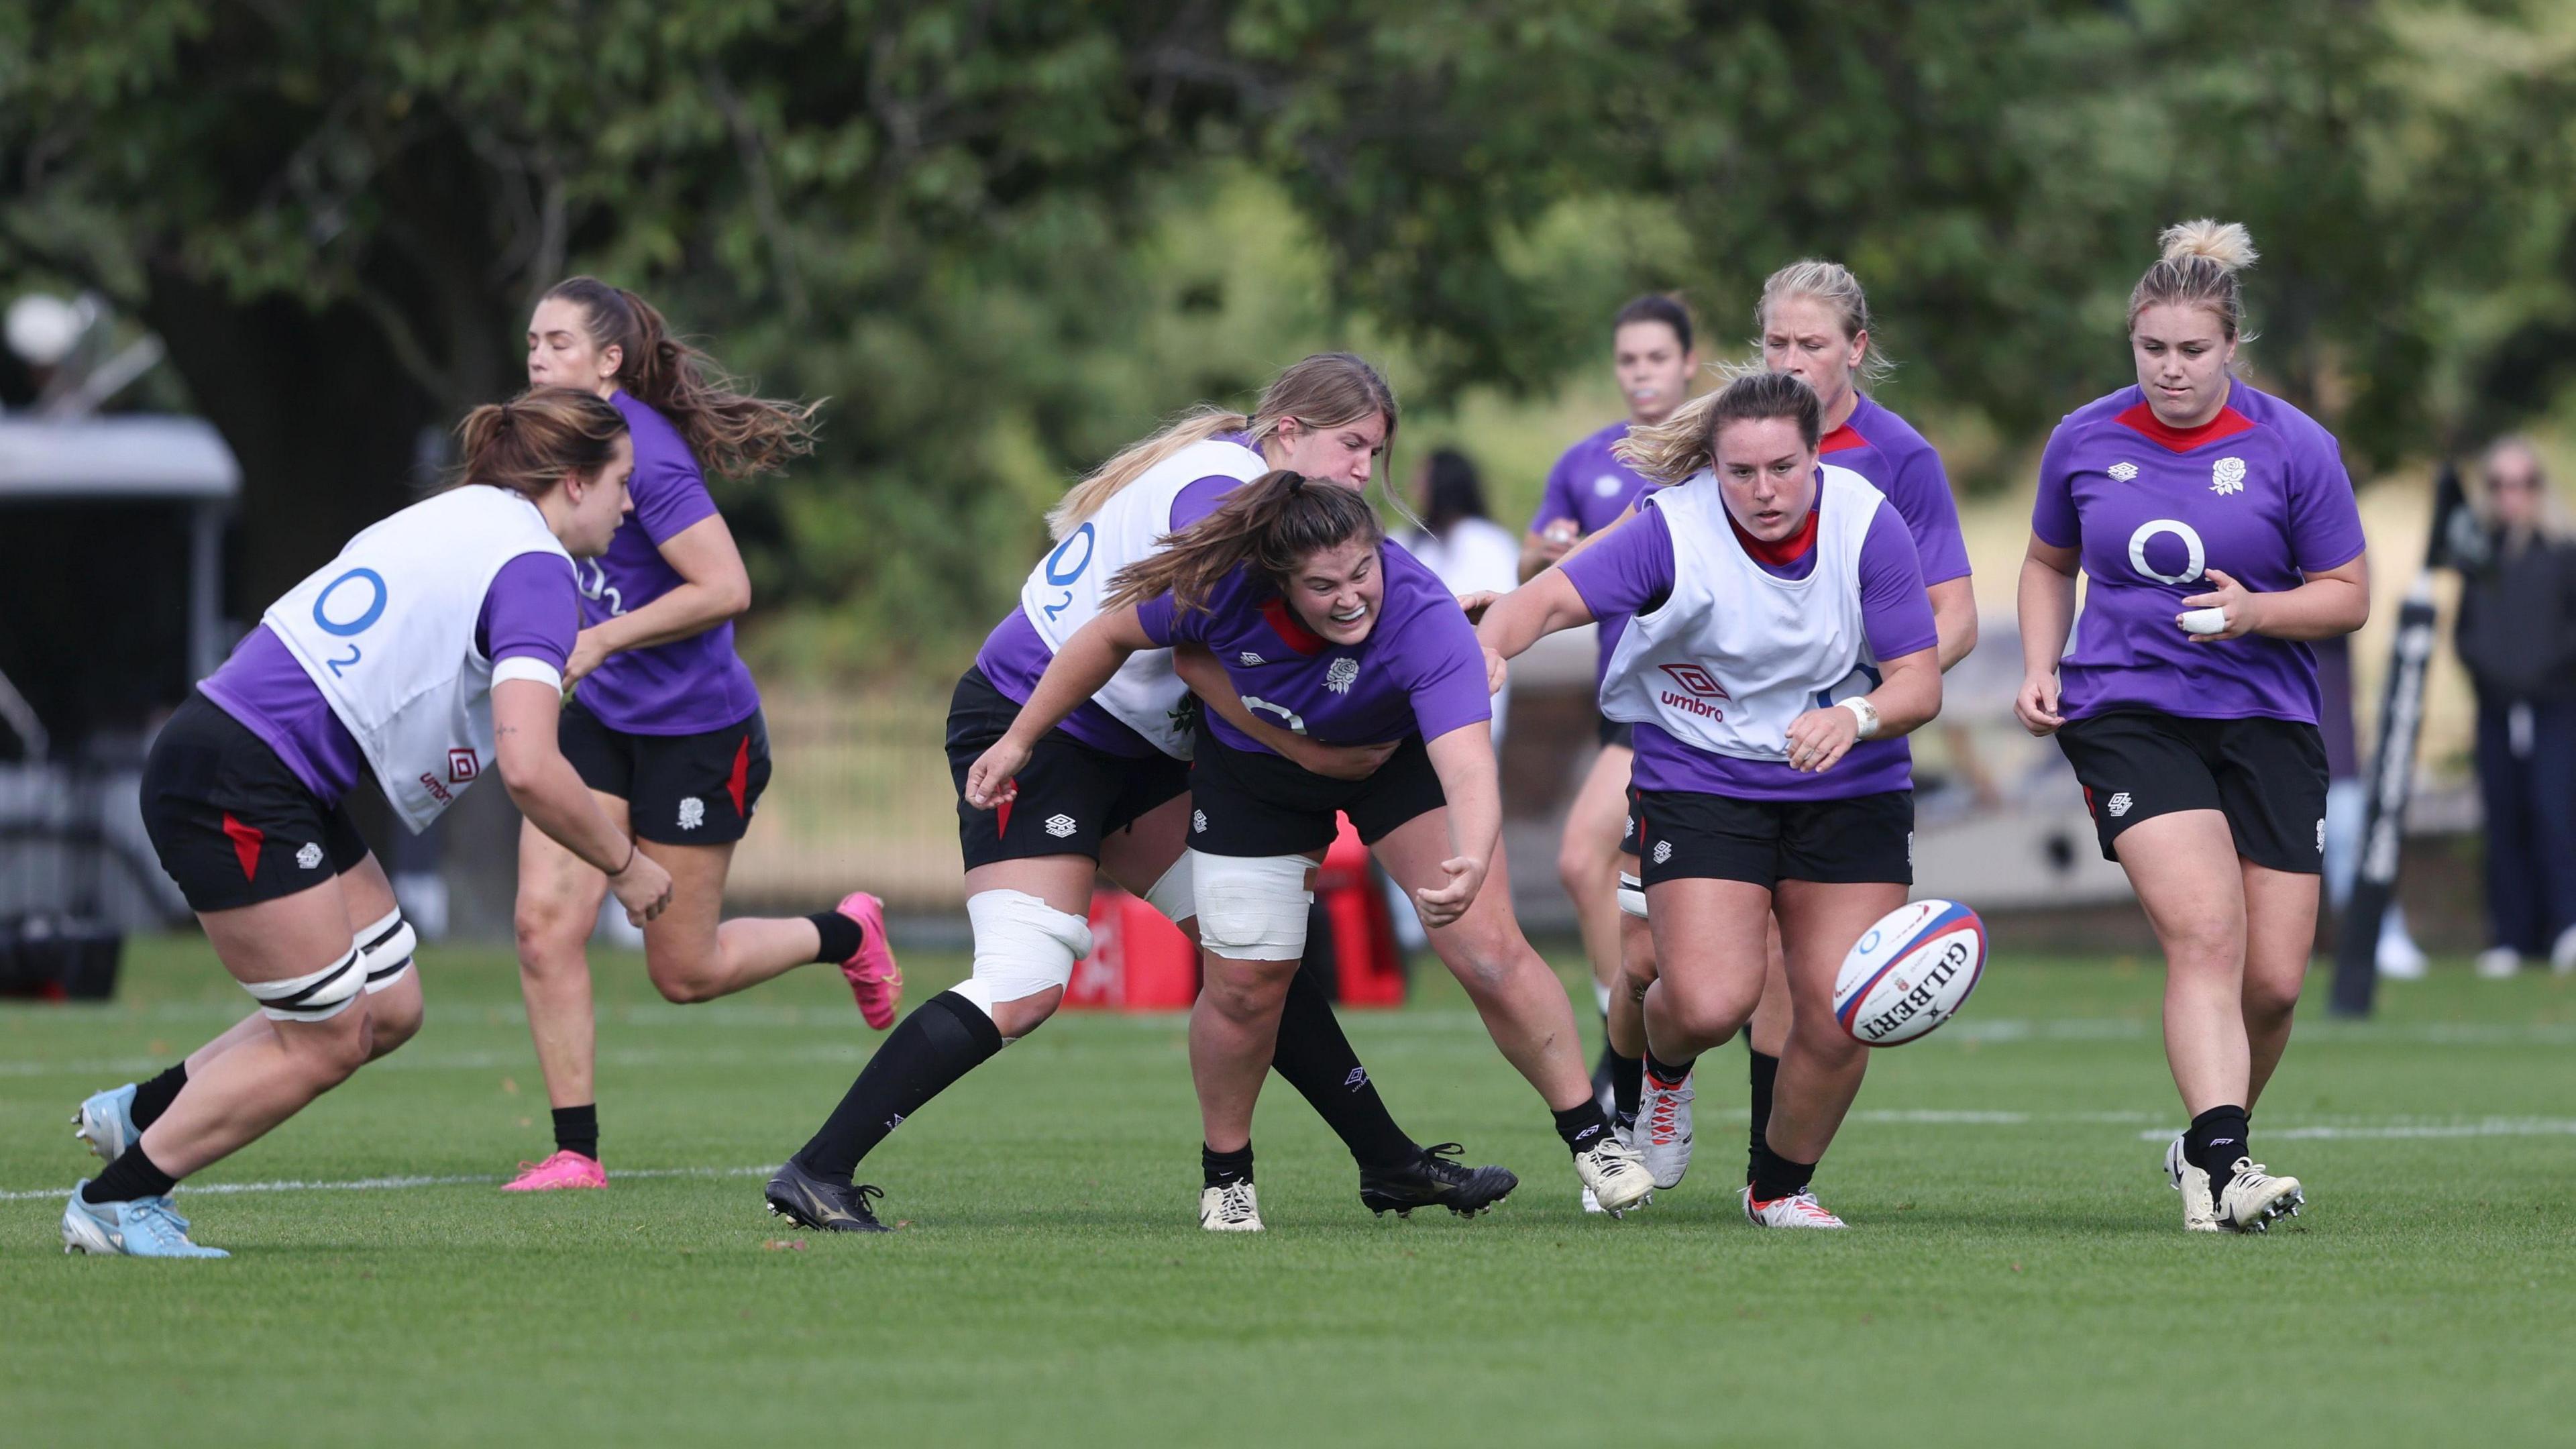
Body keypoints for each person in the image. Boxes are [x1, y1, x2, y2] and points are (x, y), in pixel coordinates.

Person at [765, 355, 1517, 1234]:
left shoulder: (1250, 484)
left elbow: (1309, 604)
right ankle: (819, 1170)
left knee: (1251, 947)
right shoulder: (1222, 490)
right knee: (1026, 979)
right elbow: (1213, 632)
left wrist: (1419, 613)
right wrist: (1395, 637)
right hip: (1043, 722)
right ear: (1287, 432)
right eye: (1351, 446)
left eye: (1375, 452)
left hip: (1124, 740)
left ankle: (1389, 1163)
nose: (1362, 471)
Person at [66, 390, 674, 1257]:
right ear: (575, 482)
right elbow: (533, 767)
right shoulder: (537, 571)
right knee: (328, 1040)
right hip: (241, 778)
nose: (630, 505)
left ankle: (143, 1114)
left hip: (259, 763)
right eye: (624, 483)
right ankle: (118, 1200)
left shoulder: (471, 512)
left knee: (389, 1005)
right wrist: (626, 864)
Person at [968, 472, 1655, 1230]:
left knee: (1488, 950)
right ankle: (1227, 1181)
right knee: (1244, 985)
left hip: (1388, 762)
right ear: (1280, 582)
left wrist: (1474, 855)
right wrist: (1018, 739)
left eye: (1363, 571)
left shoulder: (1426, 620)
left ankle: (1596, 1142)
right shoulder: (1223, 588)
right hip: (1256, 778)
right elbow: (1106, 636)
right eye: (1323, 585)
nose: (1352, 596)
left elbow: (1466, 767)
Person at [1481, 370, 1942, 1228]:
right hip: (1701, 778)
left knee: (1845, 1013)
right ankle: (1661, 1076)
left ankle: (1780, 1187)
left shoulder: (1866, 522)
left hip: (1849, 784)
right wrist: (1488, 651)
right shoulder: (1671, 528)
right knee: (1707, 1001)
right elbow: (1543, 600)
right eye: (1741, 472)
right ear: (1712, 468)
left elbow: (1919, 681)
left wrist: (1856, 714)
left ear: (1816, 458)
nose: (1763, 491)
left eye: (1783, 468)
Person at [1595, 262, 1978, 1203]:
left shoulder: (1897, 462)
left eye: (1813, 344)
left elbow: (1949, 621)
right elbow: (1629, 564)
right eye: (1776, 342)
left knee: (1822, 995)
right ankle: (1640, 1099)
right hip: (1696, 746)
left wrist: (1867, 696)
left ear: (1857, 348)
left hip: (1844, 757)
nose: (1793, 360)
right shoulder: (1724, 440)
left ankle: (1775, 1183)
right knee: (1679, 975)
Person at [503, 278, 896, 1193]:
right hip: (599, 718)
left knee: (682, 971)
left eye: (558, 343)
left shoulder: (652, 458)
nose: (536, 358)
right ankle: (574, 1152)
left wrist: (598, 638)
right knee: (541, 923)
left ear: (608, 362)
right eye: (531, 342)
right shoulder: (544, 446)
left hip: (694, 731)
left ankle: (845, 933)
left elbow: (725, 588)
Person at [2015, 221, 2367, 1232]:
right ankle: (2228, 1163)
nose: (2170, 370)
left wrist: (2258, 611)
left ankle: (2203, 1145)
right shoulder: (2085, 437)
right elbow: (2049, 562)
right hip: (2127, 709)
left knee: (2276, 981)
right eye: (2152, 350)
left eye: (2192, 351)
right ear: (2132, 340)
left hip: (2265, 717)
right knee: (2206, 932)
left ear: (2231, 347)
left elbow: (2347, 595)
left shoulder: (2295, 445)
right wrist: (2043, 665)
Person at [1521, 295, 1700, 1128]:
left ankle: (1624, 1041)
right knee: (1598, 867)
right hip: (1622, 700)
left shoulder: (1718, 451)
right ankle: (1622, 1027)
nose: (1641, 373)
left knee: (1582, 855)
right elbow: (1535, 558)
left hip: (1687, 696)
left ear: (1689, 363)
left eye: (1656, 358)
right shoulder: (1584, 462)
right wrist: (1548, 555)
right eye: (1628, 360)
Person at [2453, 437, 2576, 977]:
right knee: (2503, 818)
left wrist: (2545, 675)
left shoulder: (2563, 554)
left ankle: (2565, 926)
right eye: (2499, 484)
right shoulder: (2481, 557)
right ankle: (2511, 935)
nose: (2511, 496)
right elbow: (2466, 633)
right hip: (2497, 709)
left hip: (2555, 707)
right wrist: (2491, 675)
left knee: (2555, 813)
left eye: (2522, 483)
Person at [2314, 633, 2428, 978]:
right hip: (2259, 739)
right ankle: (2265, 948)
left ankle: (2381, 934)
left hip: (2331, 745)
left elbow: (2349, 601)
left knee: (2351, 841)